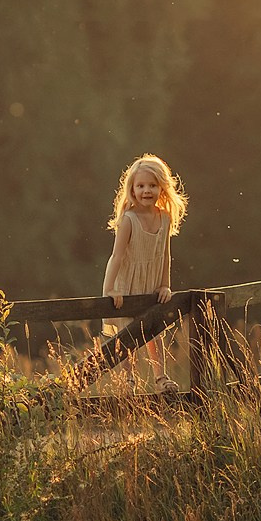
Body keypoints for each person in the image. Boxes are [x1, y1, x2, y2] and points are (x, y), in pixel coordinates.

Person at [100, 153, 188, 390]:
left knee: (153, 332)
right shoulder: (129, 220)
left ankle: (161, 377)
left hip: (150, 284)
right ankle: (129, 380)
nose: (146, 190)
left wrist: (165, 285)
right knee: (127, 334)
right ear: (132, 189)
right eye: (140, 186)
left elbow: (165, 255)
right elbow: (116, 256)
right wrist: (110, 289)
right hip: (126, 284)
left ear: (162, 188)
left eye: (152, 185)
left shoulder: (165, 218)